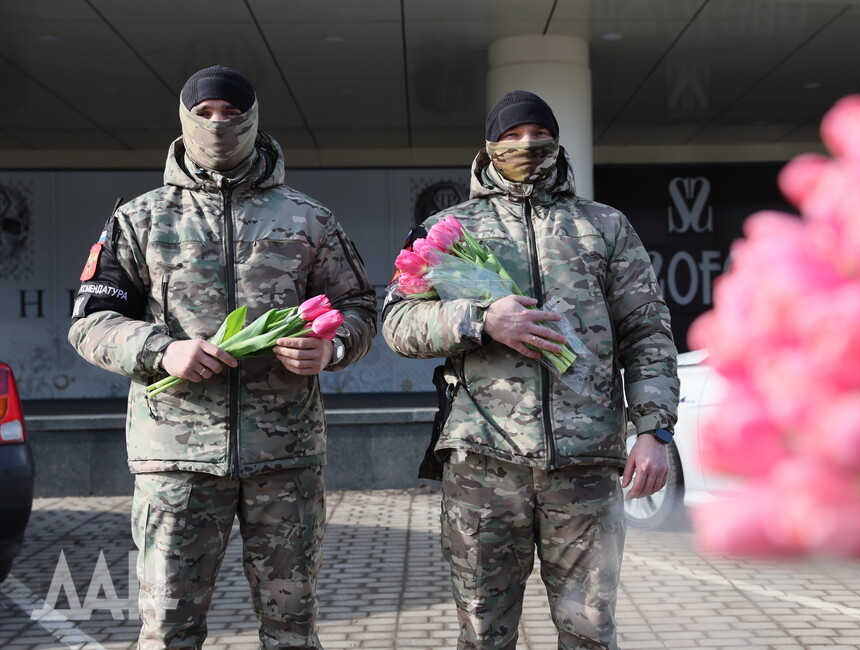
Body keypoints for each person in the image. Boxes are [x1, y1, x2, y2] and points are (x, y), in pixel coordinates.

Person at [68, 65, 377, 649]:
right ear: (184, 121)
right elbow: (89, 325)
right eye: (204, 113)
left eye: (231, 114)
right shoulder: (140, 218)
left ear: (253, 121)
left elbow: (360, 304)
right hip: (176, 463)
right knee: (168, 631)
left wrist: (331, 347)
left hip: (284, 458)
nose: (218, 124)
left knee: (292, 628)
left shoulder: (306, 218)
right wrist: (162, 350)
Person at [382, 89, 679, 649]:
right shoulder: (450, 228)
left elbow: (646, 332)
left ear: (557, 140)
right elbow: (397, 323)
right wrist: (479, 319)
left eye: (539, 133)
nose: (527, 144)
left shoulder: (603, 226)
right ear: (489, 146)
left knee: (590, 632)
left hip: (586, 465)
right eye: (513, 135)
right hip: (484, 467)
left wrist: (654, 430)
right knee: (484, 634)